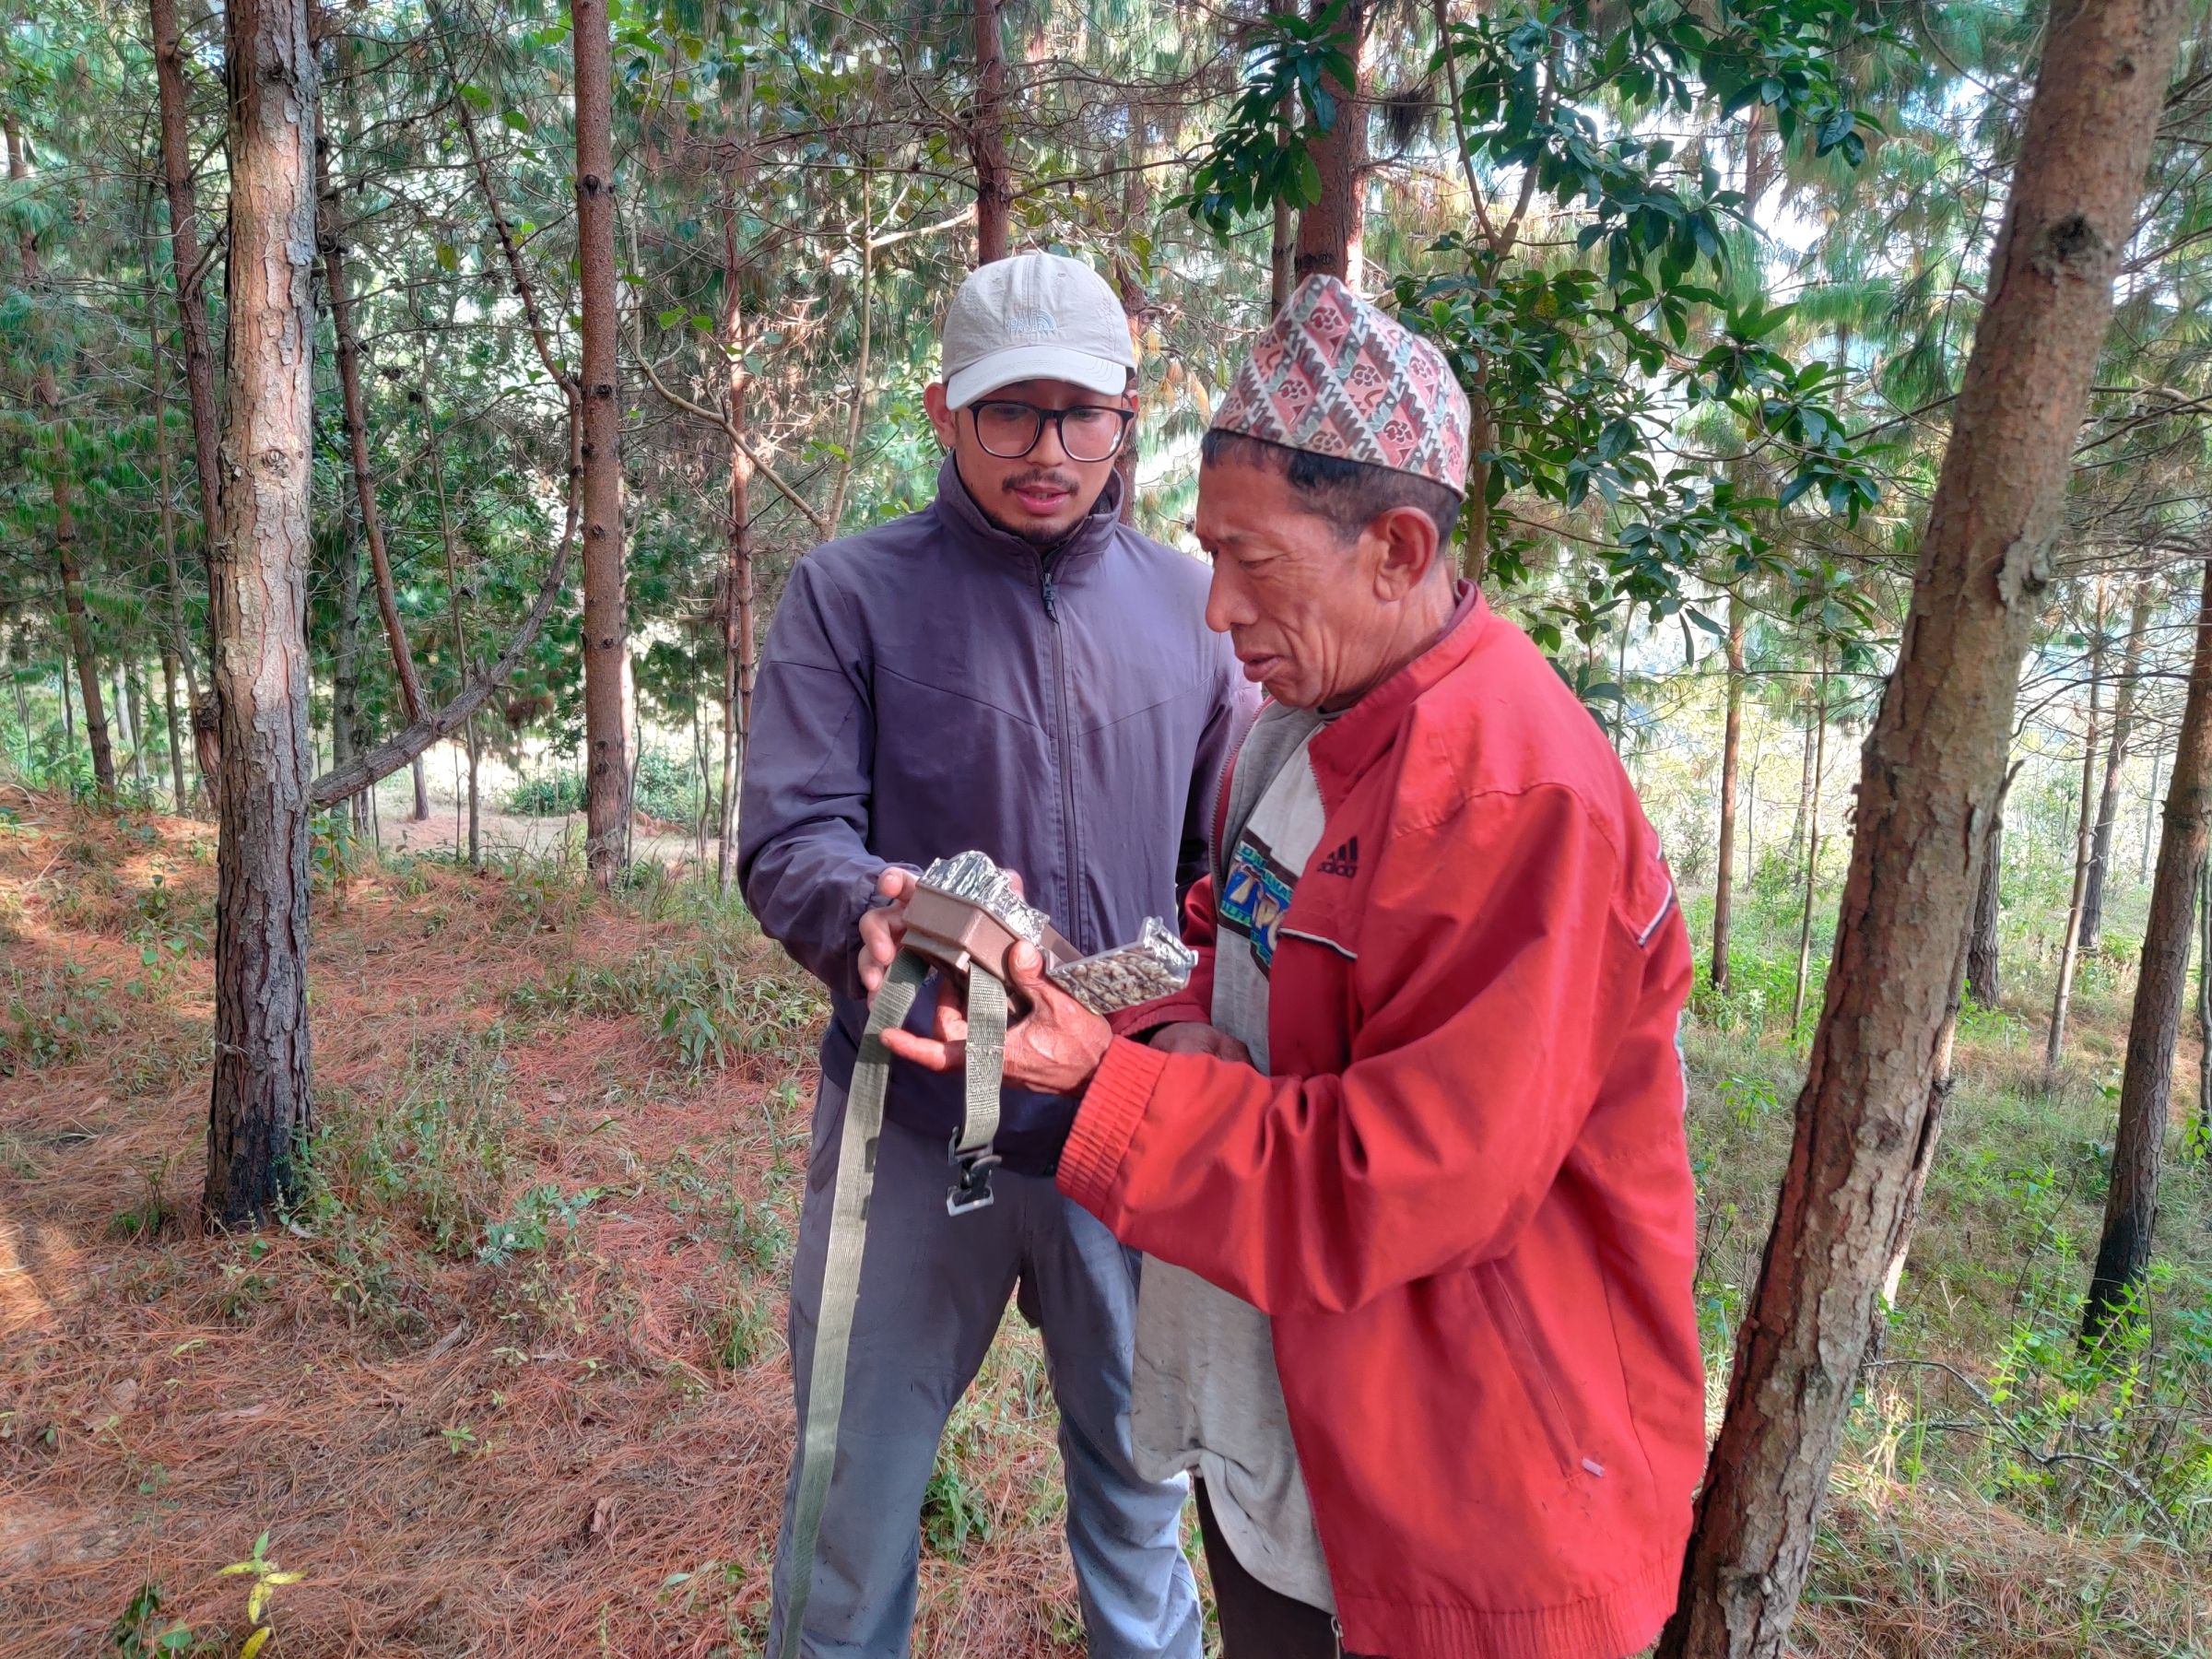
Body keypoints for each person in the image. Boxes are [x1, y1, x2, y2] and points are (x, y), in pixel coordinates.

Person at [886, 275, 1706, 1659]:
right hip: (1297, 1430)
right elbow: (1238, 972)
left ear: (1395, 547)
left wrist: (1110, 1096)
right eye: (1208, 554)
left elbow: (1413, 1176)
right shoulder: (1301, 729)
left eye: (1253, 563)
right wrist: (1080, 992)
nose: (1215, 612)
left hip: (1469, 1489)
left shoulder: (1516, 801)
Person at [738, 250, 1253, 1658]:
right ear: (941, 411)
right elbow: (790, 838)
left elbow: (1226, 872)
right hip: (907, 1132)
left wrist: (1186, 1007)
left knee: (1145, 1516)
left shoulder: (1192, 613)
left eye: (1081, 412)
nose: (1048, 450)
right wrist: (872, 909)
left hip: (1121, 1135)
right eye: (1008, 412)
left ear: (1131, 413)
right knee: (848, 1515)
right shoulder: (849, 598)